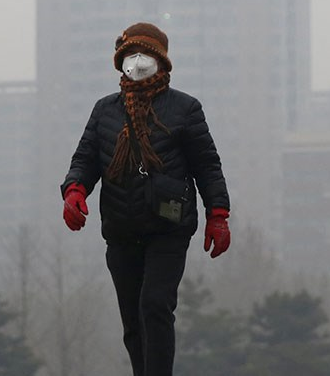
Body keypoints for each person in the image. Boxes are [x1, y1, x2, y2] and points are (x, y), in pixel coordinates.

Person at [60, 22, 231, 376]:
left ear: (162, 62)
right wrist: (75, 190)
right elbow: (86, 159)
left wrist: (218, 213)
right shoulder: (105, 111)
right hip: (122, 229)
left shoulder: (185, 109)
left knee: (155, 305)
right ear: (120, 62)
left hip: (168, 227)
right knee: (133, 320)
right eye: (130, 56)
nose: (137, 63)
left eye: (145, 56)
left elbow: (207, 165)